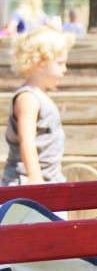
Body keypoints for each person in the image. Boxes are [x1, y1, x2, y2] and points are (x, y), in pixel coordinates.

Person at [2, 27, 75, 186]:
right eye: (60, 63)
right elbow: (26, 139)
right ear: (40, 63)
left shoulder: (41, 96)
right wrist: (34, 177)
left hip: (50, 179)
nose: (65, 69)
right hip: (26, 182)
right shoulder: (28, 98)